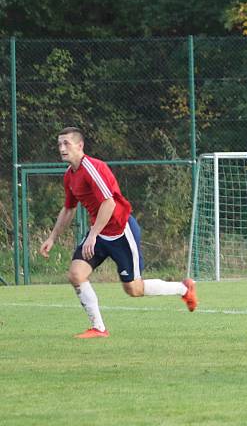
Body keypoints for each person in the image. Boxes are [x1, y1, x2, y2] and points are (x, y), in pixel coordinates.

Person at [39, 127, 197, 338]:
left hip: (121, 232)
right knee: (76, 274)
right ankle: (99, 328)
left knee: (134, 289)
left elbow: (109, 203)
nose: (61, 148)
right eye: (59, 144)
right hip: (99, 233)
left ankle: (183, 289)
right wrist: (52, 237)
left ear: (80, 145)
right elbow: (68, 208)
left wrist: (93, 235)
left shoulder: (93, 168)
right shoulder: (69, 176)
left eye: (66, 143)